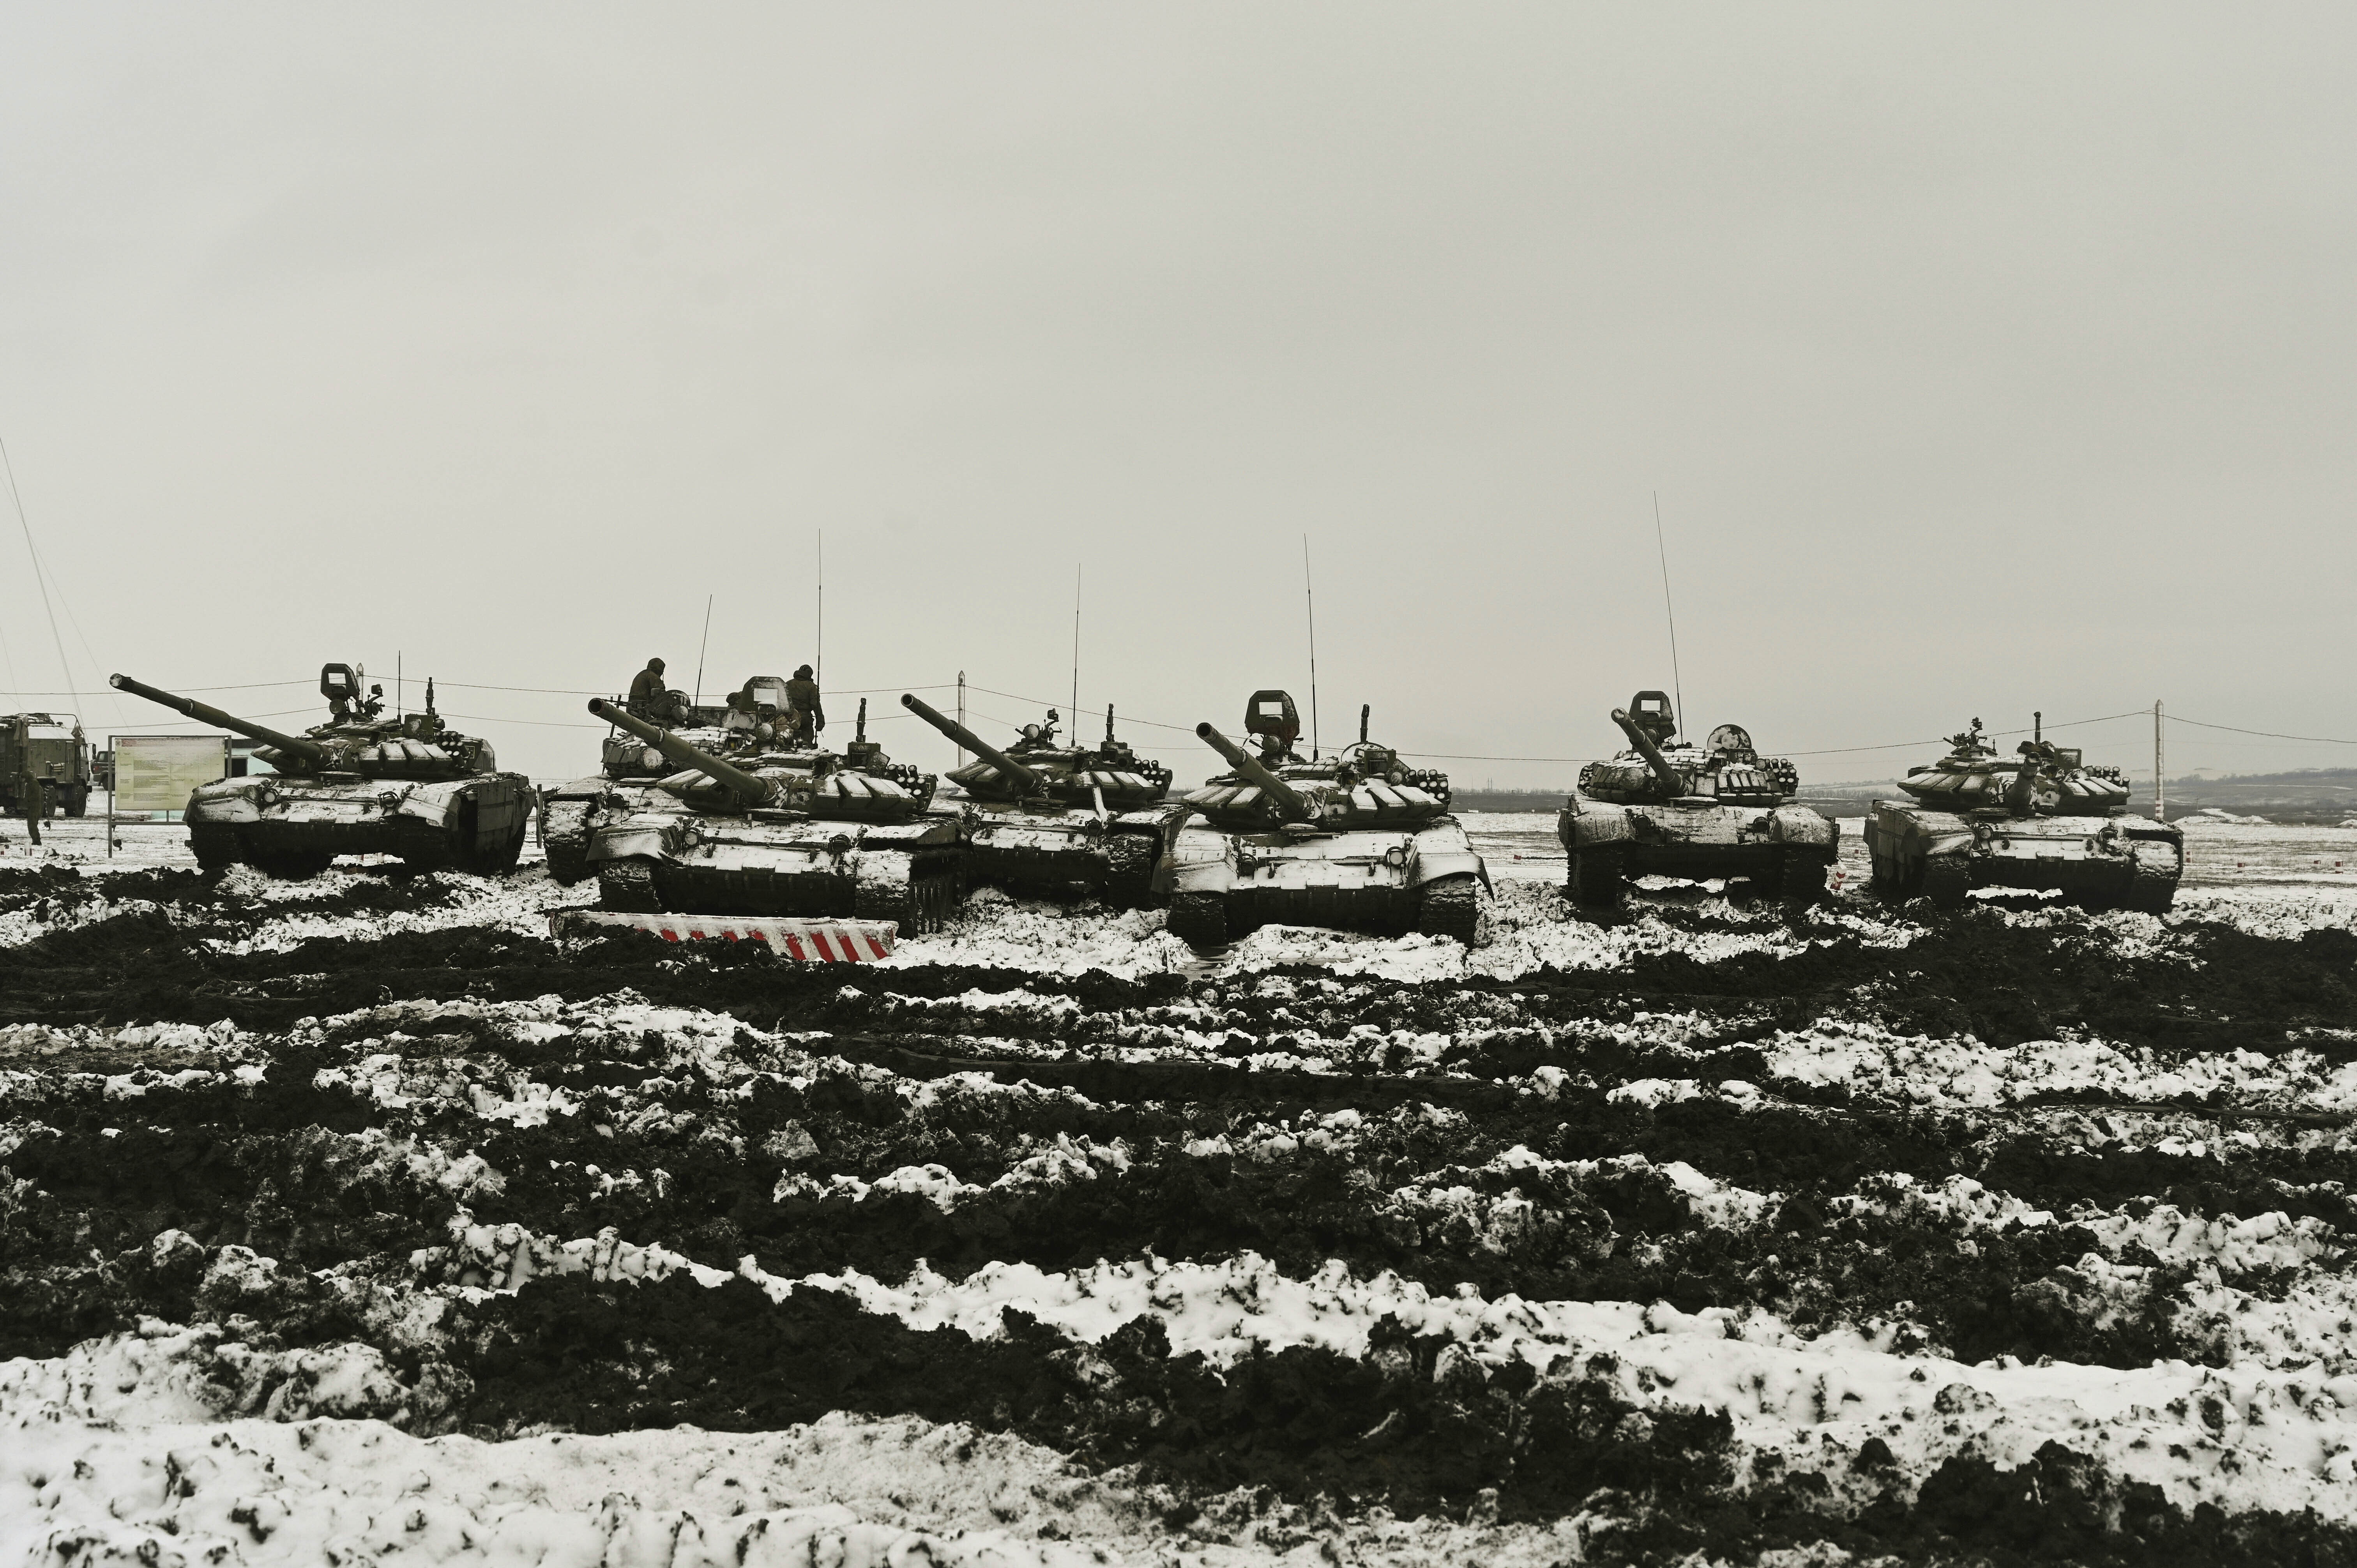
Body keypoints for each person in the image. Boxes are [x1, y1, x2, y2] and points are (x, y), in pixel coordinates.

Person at [783, 664, 824, 747]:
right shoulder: (811, 686)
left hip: (788, 719)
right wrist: (820, 722)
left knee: (787, 743)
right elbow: (816, 705)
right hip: (805, 720)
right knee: (806, 744)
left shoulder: (787, 684)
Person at [627, 658, 671, 723]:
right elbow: (661, 697)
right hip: (642, 710)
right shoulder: (653, 676)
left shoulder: (642, 674)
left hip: (632, 707)